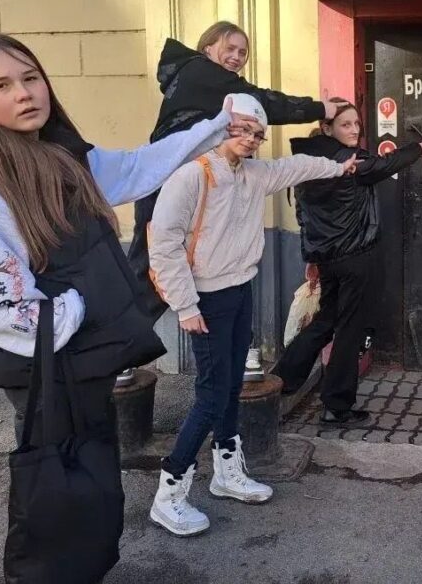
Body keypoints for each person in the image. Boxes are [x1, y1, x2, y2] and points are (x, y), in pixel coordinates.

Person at [0, 33, 250, 578]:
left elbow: (138, 168)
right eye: (0, 86)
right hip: (46, 372)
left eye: (31, 77)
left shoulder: (59, 153)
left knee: (93, 488)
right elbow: (1, 312)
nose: (24, 93)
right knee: (58, 494)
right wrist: (81, 306)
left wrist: (214, 128)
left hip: (81, 363)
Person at [147, 94, 357, 536]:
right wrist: (185, 306)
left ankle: (227, 472)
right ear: (222, 127)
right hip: (204, 300)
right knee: (211, 394)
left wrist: (339, 167)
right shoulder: (192, 175)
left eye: (258, 134)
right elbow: (163, 244)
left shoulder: (252, 174)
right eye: (242, 129)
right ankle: (169, 493)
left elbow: (295, 167)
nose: (251, 139)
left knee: (230, 387)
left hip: (239, 291)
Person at [129, 20, 342, 382]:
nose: (237, 57)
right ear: (207, 48)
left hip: (193, 187)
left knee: (194, 269)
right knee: (149, 273)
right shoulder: (200, 72)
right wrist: (322, 109)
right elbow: (265, 103)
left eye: (243, 52)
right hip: (168, 185)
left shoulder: (205, 83)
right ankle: (115, 351)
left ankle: (236, 350)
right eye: (229, 48)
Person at [276, 100, 422, 426]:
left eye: (357, 123)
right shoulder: (350, 160)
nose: (355, 129)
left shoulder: (308, 162)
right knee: (348, 329)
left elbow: (304, 216)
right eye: (346, 124)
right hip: (356, 258)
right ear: (327, 128)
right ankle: (337, 405)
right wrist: (418, 148)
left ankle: (282, 380)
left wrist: (313, 258)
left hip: (329, 260)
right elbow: (386, 164)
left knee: (325, 320)